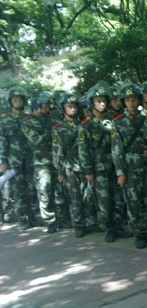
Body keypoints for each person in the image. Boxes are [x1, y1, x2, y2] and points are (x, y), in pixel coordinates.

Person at [111, 83, 147, 249]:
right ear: (124, 102)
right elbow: (116, 150)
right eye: (128, 100)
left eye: (134, 99)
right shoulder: (118, 123)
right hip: (130, 168)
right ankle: (139, 234)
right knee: (133, 202)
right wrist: (120, 172)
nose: (131, 103)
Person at [79, 84, 131, 242]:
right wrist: (88, 171)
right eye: (98, 101)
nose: (102, 104)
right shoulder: (86, 126)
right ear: (91, 103)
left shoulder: (113, 122)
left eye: (103, 100)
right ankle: (107, 228)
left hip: (114, 165)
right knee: (104, 200)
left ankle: (118, 225)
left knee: (118, 197)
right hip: (98, 167)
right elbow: (83, 150)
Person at [22, 91, 58, 232]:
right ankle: (49, 220)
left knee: (58, 190)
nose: (46, 107)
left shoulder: (51, 120)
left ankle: (62, 218)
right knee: (44, 190)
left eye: (47, 104)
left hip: (55, 158)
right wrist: (51, 132)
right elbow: (35, 139)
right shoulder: (27, 122)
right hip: (40, 162)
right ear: (36, 105)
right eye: (43, 105)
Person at [0, 86, 35, 229]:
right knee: (18, 190)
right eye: (15, 100)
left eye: (20, 100)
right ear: (10, 102)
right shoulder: (4, 120)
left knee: (31, 189)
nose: (18, 102)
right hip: (14, 161)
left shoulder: (29, 119)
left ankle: (32, 217)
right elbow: (1, 141)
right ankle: (23, 220)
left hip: (30, 159)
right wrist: (3, 161)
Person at [52, 94, 86, 237]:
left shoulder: (83, 124)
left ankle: (90, 221)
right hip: (69, 166)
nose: (73, 109)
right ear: (63, 109)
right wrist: (61, 171)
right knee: (75, 196)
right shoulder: (59, 129)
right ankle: (78, 224)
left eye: (75, 106)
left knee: (87, 195)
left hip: (84, 164)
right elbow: (57, 152)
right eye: (69, 106)